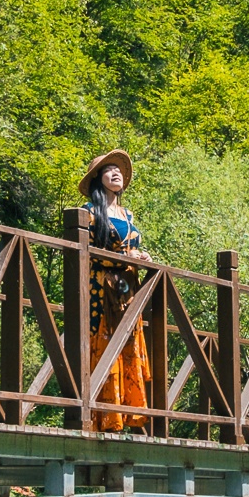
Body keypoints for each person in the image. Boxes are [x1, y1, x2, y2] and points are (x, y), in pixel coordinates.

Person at [79, 150, 151, 434]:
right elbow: (88, 253)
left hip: (127, 290)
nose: (116, 173)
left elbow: (130, 247)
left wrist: (139, 256)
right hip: (100, 289)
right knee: (106, 342)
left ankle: (127, 413)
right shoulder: (88, 213)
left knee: (127, 343)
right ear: (98, 178)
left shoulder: (128, 214)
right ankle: (104, 417)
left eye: (118, 170)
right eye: (108, 170)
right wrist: (126, 258)